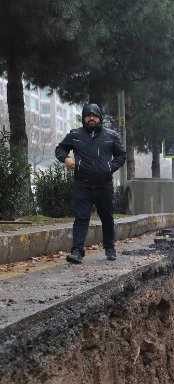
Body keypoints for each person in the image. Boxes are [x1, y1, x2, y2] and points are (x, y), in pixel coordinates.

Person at [55, 104, 126, 264]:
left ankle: (110, 248)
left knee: (107, 218)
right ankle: (77, 251)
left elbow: (121, 156)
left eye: (95, 115)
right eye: (88, 115)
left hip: (104, 185)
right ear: (84, 118)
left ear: (100, 118)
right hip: (82, 184)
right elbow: (60, 149)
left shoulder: (111, 135)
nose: (91, 118)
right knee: (81, 217)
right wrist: (65, 159)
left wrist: (110, 168)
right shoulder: (75, 135)